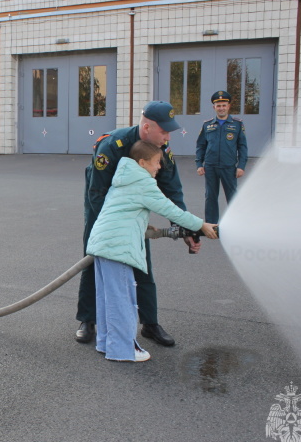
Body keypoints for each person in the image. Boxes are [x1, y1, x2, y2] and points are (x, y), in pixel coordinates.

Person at [76, 101, 199, 348]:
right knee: (95, 257)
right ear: (146, 127)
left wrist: (186, 228)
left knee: (141, 262)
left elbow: (172, 191)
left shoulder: (161, 150)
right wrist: (113, 228)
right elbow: (96, 192)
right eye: (163, 132)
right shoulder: (112, 145)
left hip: (133, 211)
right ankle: (88, 320)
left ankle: (150, 323)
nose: (167, 138)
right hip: (102, 210)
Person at [87, 141, 217, 362]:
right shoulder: (143, 182)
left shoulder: (123, 179)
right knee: (122, 299)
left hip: (103, 243)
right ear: (142, 162)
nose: (159, 167)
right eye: (157, 162)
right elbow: (170, 209)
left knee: (108, 298)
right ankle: (122, 349)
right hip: (117, 247)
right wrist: (201, 225)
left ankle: (107, 343)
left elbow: (121, 210)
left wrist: (141, 227)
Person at [195, 90, 248, 224]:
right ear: (214, 107)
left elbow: (242, 146)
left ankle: (235, 223)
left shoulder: (237, 124)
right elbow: (201, 145)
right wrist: (199, 164)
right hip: (211, 167)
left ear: (229, 106)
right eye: (218, 106)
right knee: (210, 196)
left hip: (229, 167)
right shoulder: (207, 125)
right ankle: (211, 225)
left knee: (232, 196)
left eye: (224, 105)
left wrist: (241, 166)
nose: (221, 108)